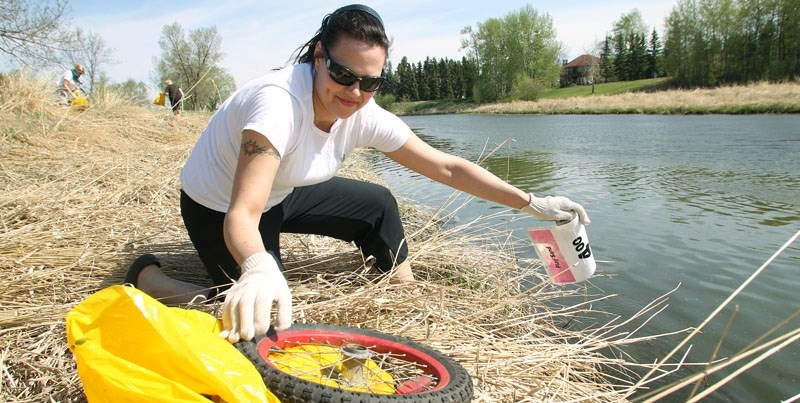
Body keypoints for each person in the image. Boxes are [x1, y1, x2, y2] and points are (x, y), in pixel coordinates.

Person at [124, 4, 590, 344]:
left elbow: (447, 166)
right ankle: (152, 281)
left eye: (371, 82)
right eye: (345, 76)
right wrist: (258, 265)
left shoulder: (362, 109)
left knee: (378, 204)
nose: (355, 92)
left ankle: (403, 291)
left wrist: (532, 203)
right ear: (319, 57)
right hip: (220, 203)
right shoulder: (277, 104)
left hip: (283, 193)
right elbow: (242, 214)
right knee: (258, 316)